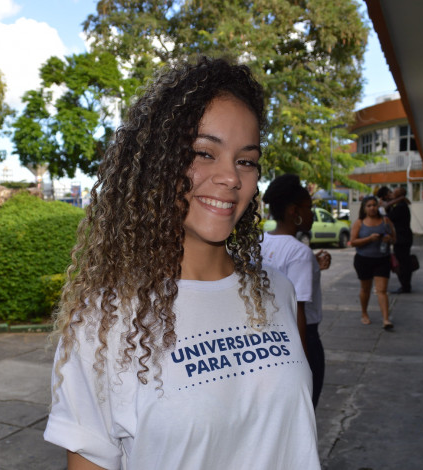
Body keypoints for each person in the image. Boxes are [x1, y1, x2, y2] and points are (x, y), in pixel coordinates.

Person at [43, 57, 319, 470]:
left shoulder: (277, 291)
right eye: (204, 153)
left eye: (246, 160)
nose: (231, 177)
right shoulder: (102, 321)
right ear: (158, 165)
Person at [261, 174, 331, 409]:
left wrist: (313, 265)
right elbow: (298, 308)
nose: (311, 214)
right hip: (299, 337)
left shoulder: (260, 242)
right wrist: (302, 363)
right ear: (294, 211)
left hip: (266, 336)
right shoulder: (299, 252)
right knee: (303, 411)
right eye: (308, 208)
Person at [349, 195, 396, 330]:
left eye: (374, 205)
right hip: (363, 260)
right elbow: (353, 242)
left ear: (378, 206)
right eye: (369, 206)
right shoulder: (359, 222)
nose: (372, 208)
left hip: (382, 259)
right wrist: (369, 239)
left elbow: (394, 238)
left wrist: (388, 239)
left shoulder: (385, 220)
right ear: (364, 208)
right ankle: (364, 313)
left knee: (382, 290)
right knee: (365, 289)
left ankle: (386, 319)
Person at [388, 187, 414, 293]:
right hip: (404, 237)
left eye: (394, 192)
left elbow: (389, 217)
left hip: (402, 239)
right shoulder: (401, 205)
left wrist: (390, 204)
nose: (391, 194)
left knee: (402, 263)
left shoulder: (400, 207)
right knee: (404, 261)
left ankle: (405, 286)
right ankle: (405, 285)